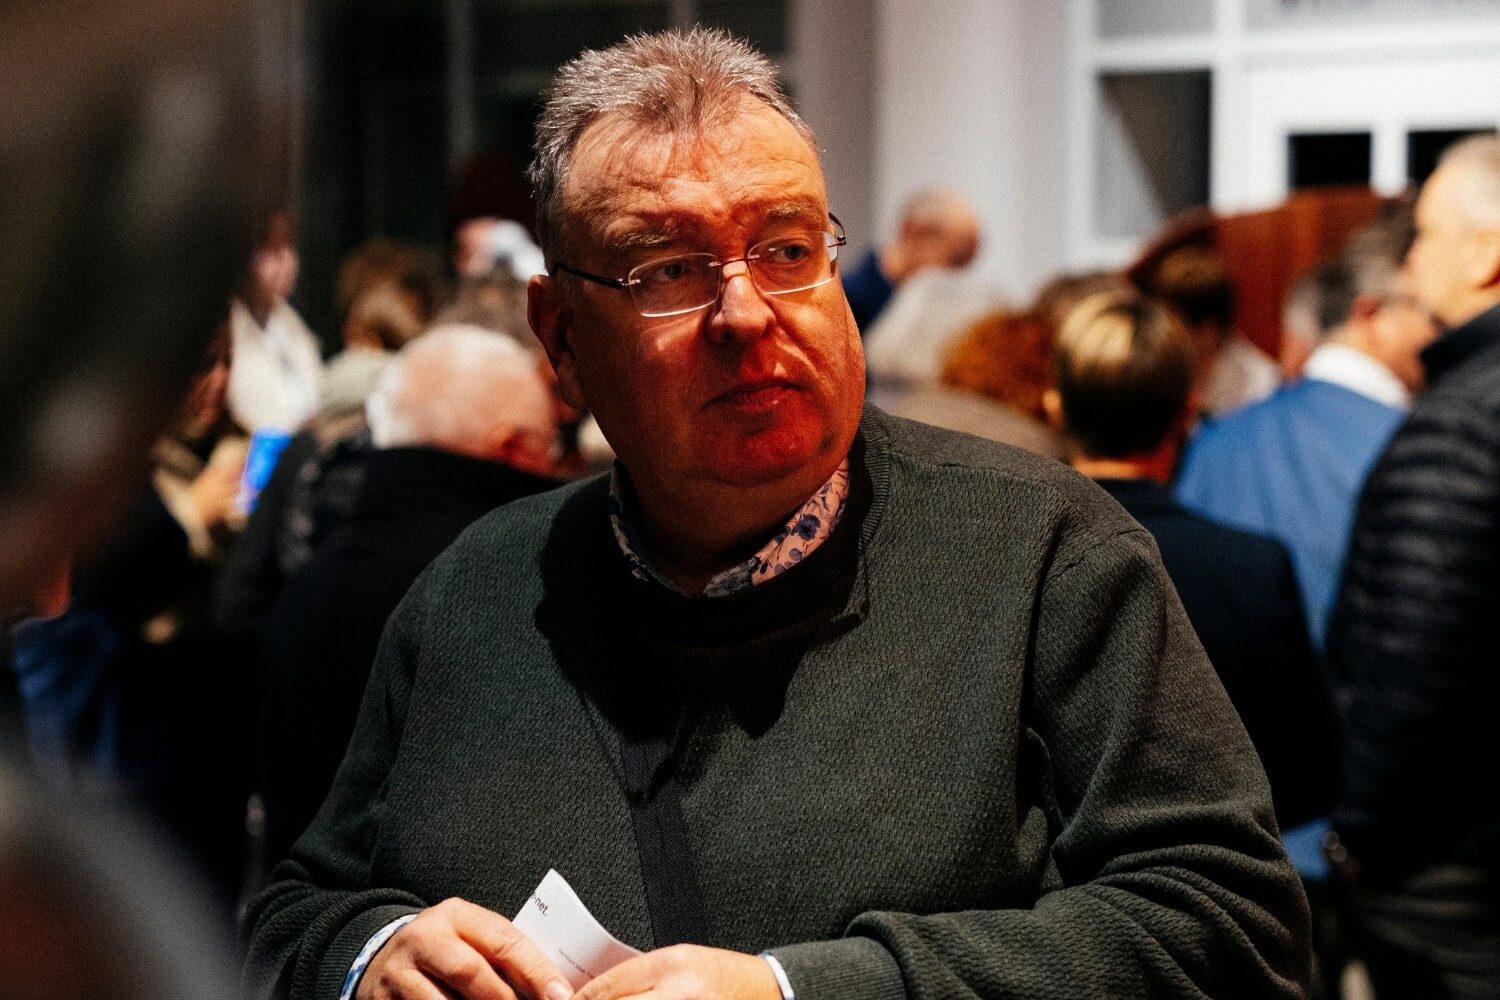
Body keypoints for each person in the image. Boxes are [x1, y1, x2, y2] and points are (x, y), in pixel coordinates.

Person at [244, 29, 1309, 1000]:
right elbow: (295, 908)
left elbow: (1232, 928)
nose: (747, 312)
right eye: (669, 268)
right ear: (561, 334)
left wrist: (808, 990)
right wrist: (370, 955)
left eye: (788, 249)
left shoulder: (1044, 556)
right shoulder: (476, 593)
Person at [255, 325, 559, 868]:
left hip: (316, 927)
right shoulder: (510, 587)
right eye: (551, 448)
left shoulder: (314, 578)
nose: (560, 467)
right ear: (517, 450)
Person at [1047, 291, 1334, 834]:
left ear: (1054, 407)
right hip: (1211, 867)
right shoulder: (1251, 569)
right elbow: (1304, 774)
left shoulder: (1014, 550)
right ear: (1187, 409)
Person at [1326, 135, 1500, 999]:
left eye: (1426, 234)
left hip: (1449, 879)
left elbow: (1415, 659)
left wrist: (1356, 836)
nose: (1412, 258)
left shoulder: (1463, 420)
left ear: (1487, 253)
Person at [1175, 214, 1435, 652]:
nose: (1438, 328)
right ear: (1371, 314)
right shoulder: (1418, 448)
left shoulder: (1214, 443)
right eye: (1423, 311)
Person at [1136, 245, 1279, 417]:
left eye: (1173, 328)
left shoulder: (1261, 386)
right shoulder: (1155, 373)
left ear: (1208, 331)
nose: (1163, 337)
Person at [227, 208, 325, 434]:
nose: (288, 263)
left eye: (290, 246)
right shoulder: (226, 327)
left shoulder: (286, 318)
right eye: (272, 250)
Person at [840, 188, 980, 333]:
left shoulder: (930, 309)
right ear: (910, 230)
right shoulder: (845, 302)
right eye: (955, 260)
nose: (955, 276)